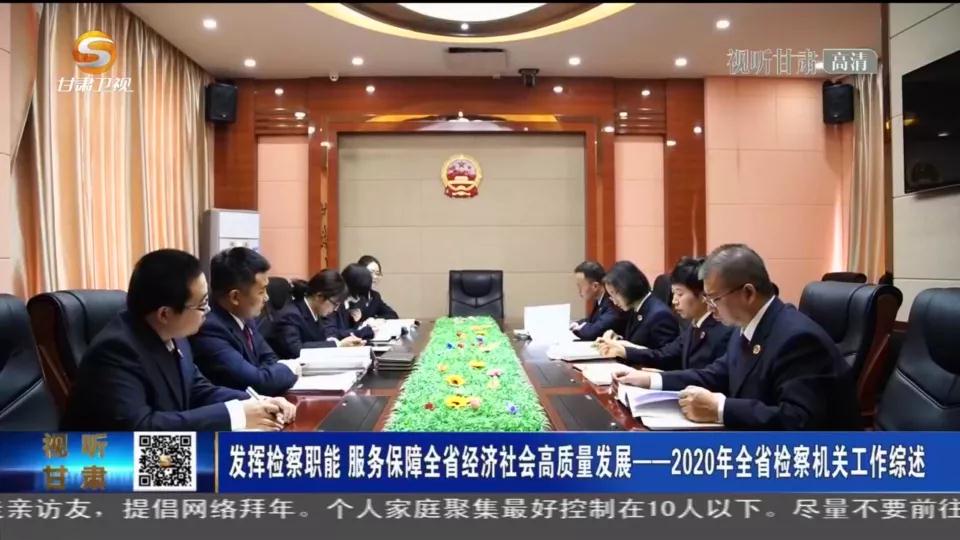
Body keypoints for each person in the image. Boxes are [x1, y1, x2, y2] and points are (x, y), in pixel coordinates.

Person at [612, 244, 860, 430]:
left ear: (748, 293)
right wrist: (649, 380)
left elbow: (798, 420)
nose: (710, 307)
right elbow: (715, 374)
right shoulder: (748, 327)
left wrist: (720, 409)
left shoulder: (797, 339)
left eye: (714, 299)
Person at [61, 249, 295, 431]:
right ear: (165, 314)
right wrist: (236, 415)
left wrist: (258, 401)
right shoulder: (117, 350)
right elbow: (141, 428)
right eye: (202, 304)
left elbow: (198, 389)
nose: (208, 311)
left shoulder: (175, 335)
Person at [190, 247, 298, 396]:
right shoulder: (209, 328)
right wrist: (290, 368)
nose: (267, 298)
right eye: (261, 291)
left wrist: (266, 374)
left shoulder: (244, 315)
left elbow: (270, 357)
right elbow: (260, 384)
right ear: (235, 297)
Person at [599, 257, 733, 370]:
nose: (674, 301)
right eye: (673, 293)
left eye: (680, 294)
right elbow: (664, 353)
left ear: (704, 295)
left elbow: (704, 376)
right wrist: (624, 348)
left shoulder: (722, 331)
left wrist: (658, 377)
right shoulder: (695, 326)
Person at [269, 270, 365, 359]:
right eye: (335, 304)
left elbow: (322, 339)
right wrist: (337, 345)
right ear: (319, 296)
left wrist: (340, 343)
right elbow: (296, 350)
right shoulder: (291, 315)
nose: (335, 309)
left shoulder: (316, 312)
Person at [597, 261, 679, 350]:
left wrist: (626, 348)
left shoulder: (660, 315)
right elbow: (638, 342)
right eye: (611, 296)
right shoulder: (636, 307)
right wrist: (617, 340)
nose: (615, 302)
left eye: (615, 293)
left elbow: (666, 355)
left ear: (628, 286)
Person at [322, 263, 381, 341]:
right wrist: (362, 332)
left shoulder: (351, 304)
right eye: (359, 293)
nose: (360, 298)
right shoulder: (332, 303)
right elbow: (331, 334)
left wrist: (359, 323)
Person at [569, 260, 625, 340]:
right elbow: (591, 320)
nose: (579, 290)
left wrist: (578, 328)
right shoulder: (600, 300)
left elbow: (593, 331)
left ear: (595, 286)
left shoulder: (612, 302)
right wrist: (576, 323)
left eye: (580, 286)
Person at [357, 255, 399, 320]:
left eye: (377, 273)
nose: (375, 277)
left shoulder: (375, 296)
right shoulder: (351, 295)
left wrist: (374, 319)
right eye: (371, 272)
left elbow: (392, 315)